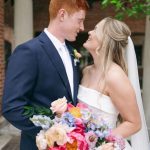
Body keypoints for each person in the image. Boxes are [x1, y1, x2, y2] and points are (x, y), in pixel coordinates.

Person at [2, 0, 88, 150]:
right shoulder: (29, 52)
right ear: (62, 15)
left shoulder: (71, 52)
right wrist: (54, 132)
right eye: (79, 21)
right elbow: (12, 108)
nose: (82, 27)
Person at [78, 17, 150, 149]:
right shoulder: (86, 71)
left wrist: (100, 142)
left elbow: (134, 123)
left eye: (95, 29)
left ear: (105, 40)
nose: (89, 32)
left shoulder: (115, 76)